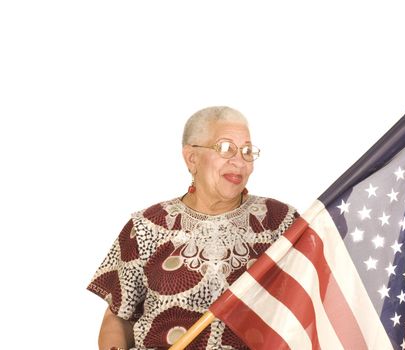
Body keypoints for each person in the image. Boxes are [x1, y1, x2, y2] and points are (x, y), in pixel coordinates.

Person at [87, 106, 298, 350]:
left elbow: (313, 302)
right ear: (192, 157)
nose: (240, 161)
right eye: (226, 148)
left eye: (247, 151)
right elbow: (118, 316)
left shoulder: (280, 222)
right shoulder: (146, 227)